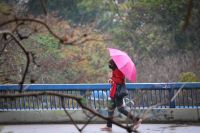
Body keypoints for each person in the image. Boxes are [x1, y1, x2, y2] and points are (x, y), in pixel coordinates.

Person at [101, 59, 142, 131]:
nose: (109, 65)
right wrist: (111, 79)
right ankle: (109, 126)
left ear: (113, 64)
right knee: (110, 108)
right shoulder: (115, 69)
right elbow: (116, 79)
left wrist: (112, 79)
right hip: (114, 91)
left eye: (110, 64)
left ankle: (136, 120)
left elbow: (120, 81)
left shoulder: (118, 70)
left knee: (120, 109)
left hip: (118, 92)